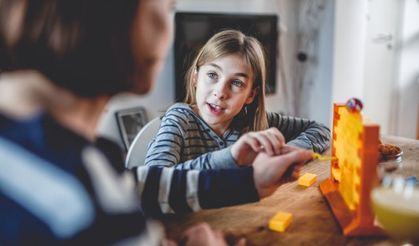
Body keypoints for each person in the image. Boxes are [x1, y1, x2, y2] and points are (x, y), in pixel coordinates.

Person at [0, 0, 313, 245]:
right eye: (167, 7)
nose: (169, 31)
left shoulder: (44, 150)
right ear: (112, 15)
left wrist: (248, 181)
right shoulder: (89, 205)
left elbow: (139, 184)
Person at [145, 30, 330, 170]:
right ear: (195, 78)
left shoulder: (252, 120)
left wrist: (288, 152)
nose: (220, 92)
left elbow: (320, 130)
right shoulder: (179, 120)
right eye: (212, 75)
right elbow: (155, 181)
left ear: (250, 95)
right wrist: (230, 158)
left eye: (236, 83)